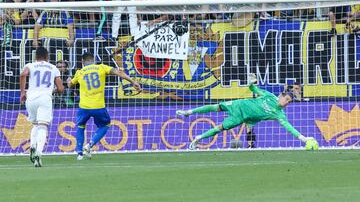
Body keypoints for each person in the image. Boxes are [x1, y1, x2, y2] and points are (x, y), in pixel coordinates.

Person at [176, 74, 317, 150]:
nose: (286, 103)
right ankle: (189, 112)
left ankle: (197, 139)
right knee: (215, 107)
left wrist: (304, 139)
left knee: (219, 128)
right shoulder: (269, 95)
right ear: (281, 96)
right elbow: (253, 90)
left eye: (288, 102)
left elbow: (289, 128)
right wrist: (251, 83)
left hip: (241, 117)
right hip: (239, 104)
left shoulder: (279, 114)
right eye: (286, 99)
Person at [68, 52, 141, 160]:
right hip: (98, 106)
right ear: (93, 59)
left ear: (83, 62)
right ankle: (89, 145)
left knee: (81, 126)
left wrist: (69, 80)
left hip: (84, 107)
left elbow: (70, 85)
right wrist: (132, 81)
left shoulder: (80, 72)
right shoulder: (101, 67)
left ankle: (79, 153)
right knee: (105, 125)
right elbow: (118, 72)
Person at [19, 47, 64, 167]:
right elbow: (61, 89)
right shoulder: (53, 68)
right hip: (44, 98)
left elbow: (23, 74)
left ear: (36, 56)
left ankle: (32, 146)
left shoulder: (30, 65)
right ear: (47, 56)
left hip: (31, 98)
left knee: (34, 124)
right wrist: (51, 90)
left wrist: (22, 93)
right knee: (42, 126)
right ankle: (39, 151)